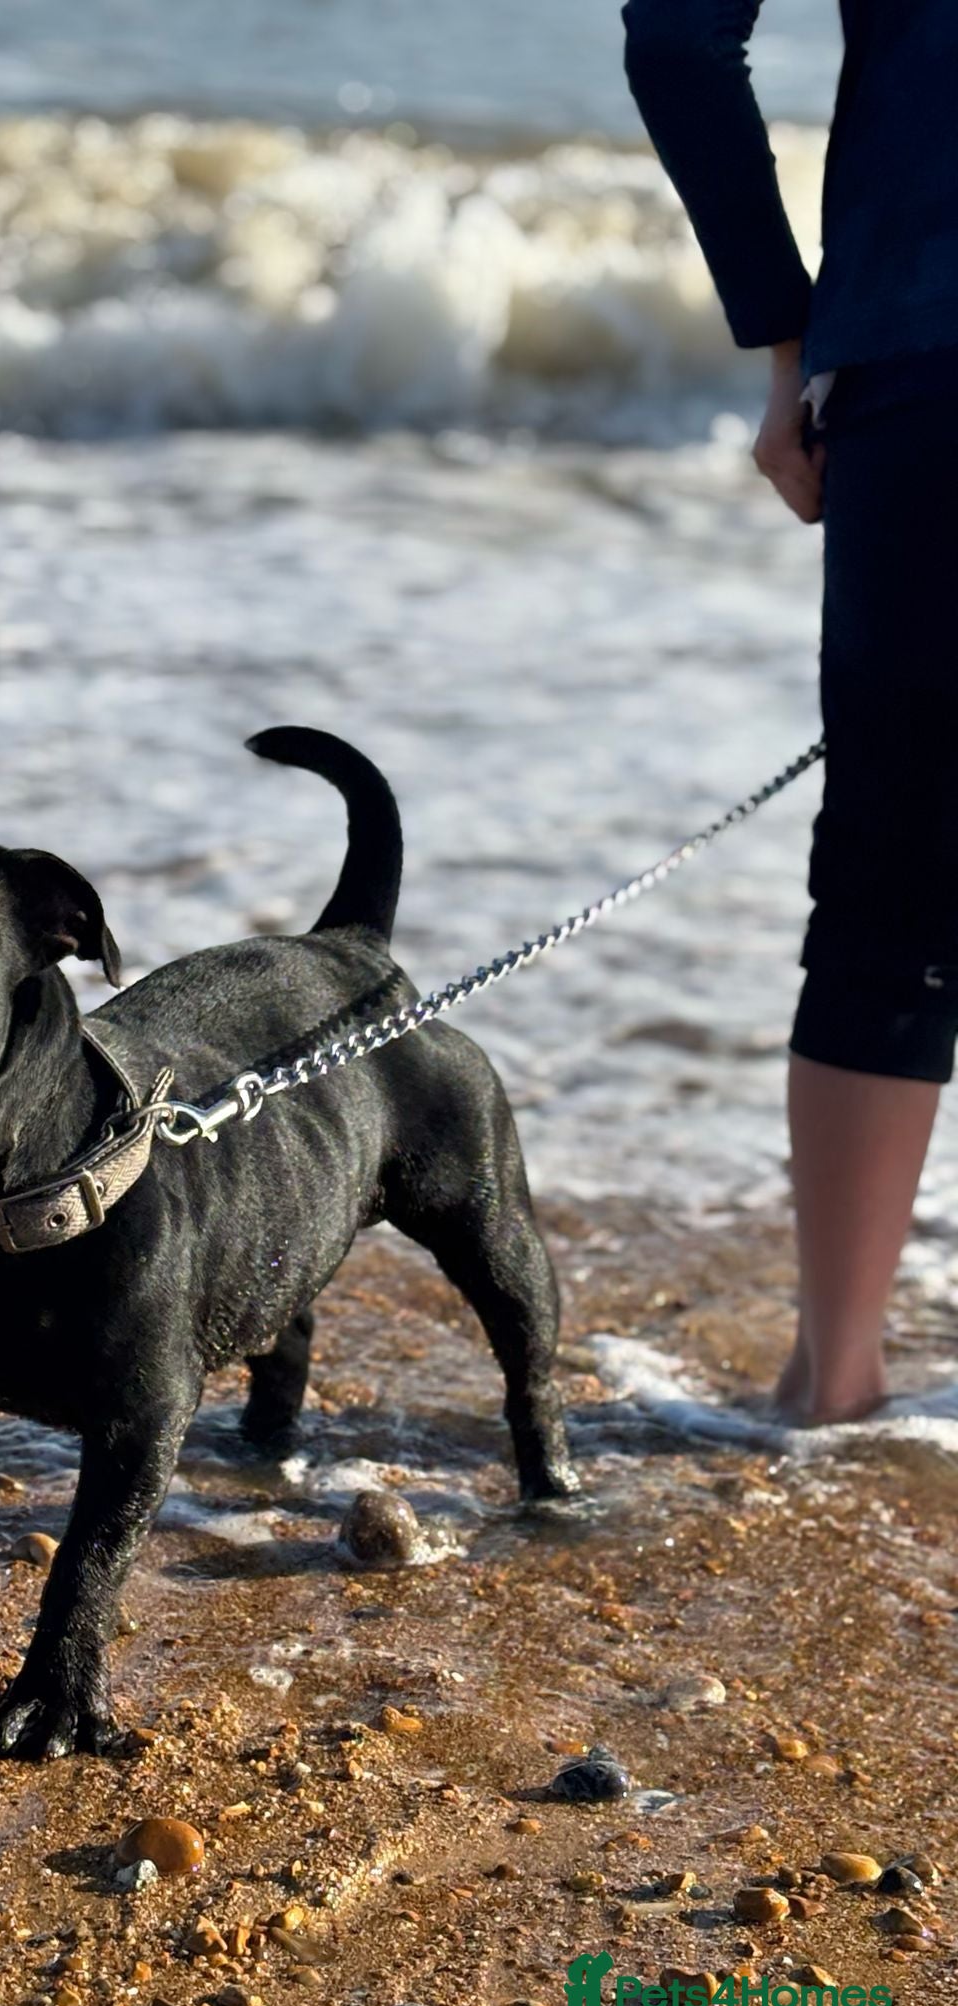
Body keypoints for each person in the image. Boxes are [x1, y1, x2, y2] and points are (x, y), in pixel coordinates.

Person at [621, 1, 958, 1424]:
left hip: (928, 349)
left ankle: (838, 1376)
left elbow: (680, 37)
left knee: (894, 892)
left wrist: (786, 326)